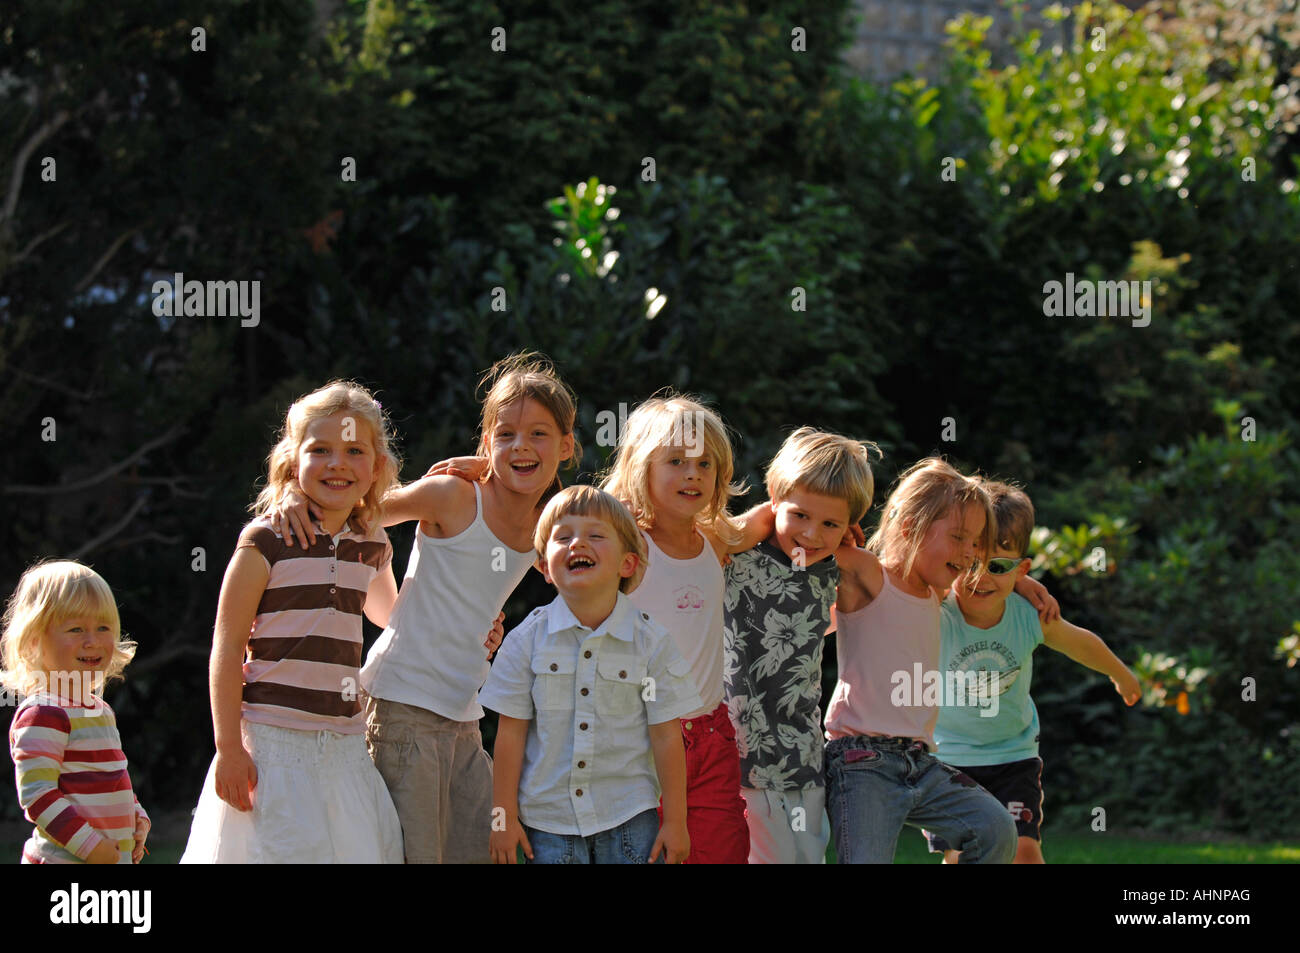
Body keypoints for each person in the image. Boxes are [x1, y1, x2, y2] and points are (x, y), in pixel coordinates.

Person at [273, 353, 577, 863]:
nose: (520, 447)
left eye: (539, 435)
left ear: (567, 446)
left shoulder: (549, 525)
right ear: (485, 444)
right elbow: (361, 512)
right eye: (504, 436)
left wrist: (484, 623)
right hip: (401, 711)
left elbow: (613, 532)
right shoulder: (453, 496)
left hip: (461, 717)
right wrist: (293, 498)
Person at [181, 380, 404, 863]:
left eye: (353, 451)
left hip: (343, 749)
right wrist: (228, 749)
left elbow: (392, 617)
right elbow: (227, 646)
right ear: (293, 460)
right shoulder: (266, 540)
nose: (337, 463)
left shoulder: (372, 544)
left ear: (377, 468)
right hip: (270, 746)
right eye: (319, 449)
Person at [824, 458, 1055, 864]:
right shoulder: (870, 575)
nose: (970, 555)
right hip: (862, 762)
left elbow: (987, 582)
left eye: (977, 545)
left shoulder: (937, 596)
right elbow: (812, 545)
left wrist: (1020, 580)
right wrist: (834, 535)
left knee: (995, 829)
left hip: (920, 762)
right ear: (911, 526)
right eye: (961, 539)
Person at [480, 485, 701, 864]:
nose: (577, 543)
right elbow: (510, 733)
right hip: (548, 823)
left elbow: (666, 735)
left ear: (628, 564)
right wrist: (502, 818)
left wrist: (676, 822)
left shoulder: (650, 643)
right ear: (545, 567)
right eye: (563, 537)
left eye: (595, 535)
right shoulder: (526, 641)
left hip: (630, 817)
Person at [927, 481, 1141, 864]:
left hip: (1013, 757)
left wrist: (1120, 674)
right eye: (972, 564)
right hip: (949, 758)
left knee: (1024, 849)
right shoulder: (938, 611)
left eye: (998, 567)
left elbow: (1081, 642)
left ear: (1022, 568)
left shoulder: (1029, 617)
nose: (982, 578)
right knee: (961, 853)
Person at [601, 393, 770, 863]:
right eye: (675, 461)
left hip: (711, 732)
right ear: (641, 466)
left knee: (724, 849)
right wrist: (482, 472)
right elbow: (552, 541)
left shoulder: (714, 537)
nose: (692, 473)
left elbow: (764, 520)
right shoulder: (626, 545)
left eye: (704, 463)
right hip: (640, 737)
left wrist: (828, 527)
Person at [723, 426, 880, 863]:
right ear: (774, 496)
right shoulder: (732, 556)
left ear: (849, 525)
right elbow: (685, 537)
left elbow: (909, 590)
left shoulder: (835, 572)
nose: (811, 534)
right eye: (800, 515)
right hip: (735, 752)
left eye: (830, 524)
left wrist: (1019, 586)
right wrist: (758, 519)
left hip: (801, 753)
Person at [3, 560, 150, 864]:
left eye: (103, 627)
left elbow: (111, 777)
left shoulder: (100, 710)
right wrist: (91, 847)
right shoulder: (44, 712)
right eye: (75, 629)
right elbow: (38, 796)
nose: (92, 640)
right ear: (34, 640)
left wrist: (136, 816)